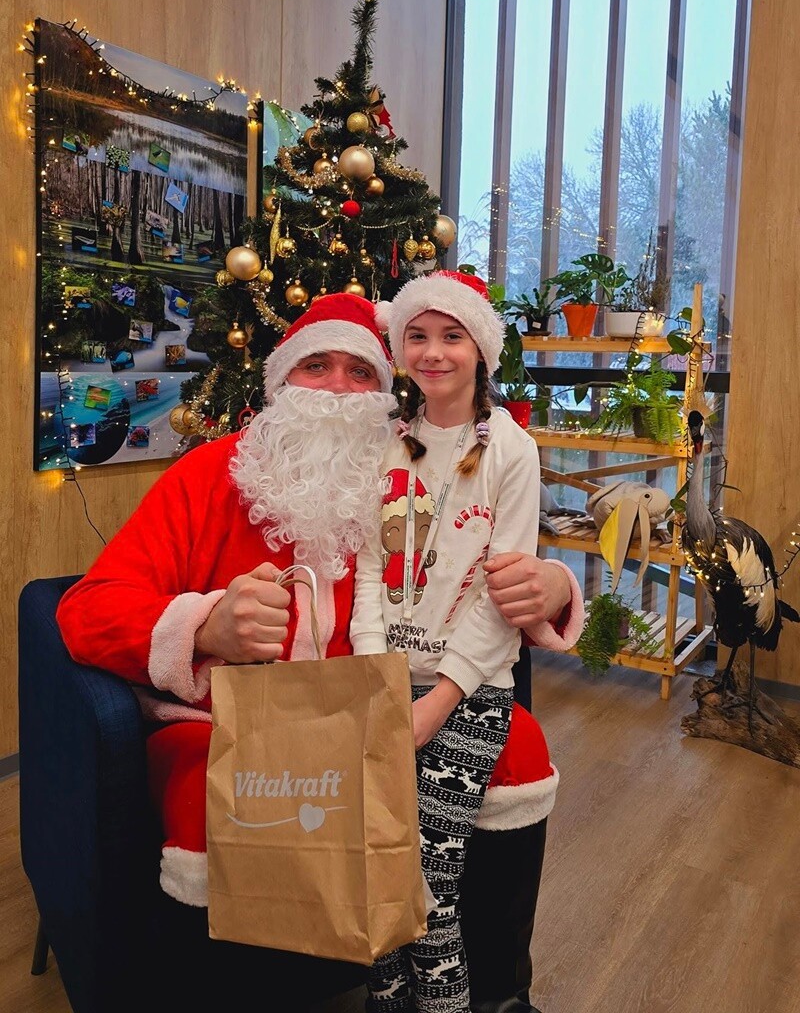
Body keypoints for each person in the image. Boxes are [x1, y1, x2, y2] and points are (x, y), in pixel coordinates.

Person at [56, 292, 583, 1011]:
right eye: (316, 366)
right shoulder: (207, 475)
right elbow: (86, 609)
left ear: (386, 389)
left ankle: (498, 996)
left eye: (360, 372)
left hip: (382, 707)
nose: (338, 388)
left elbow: (474, 567)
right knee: (209, 791)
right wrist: (205, 628)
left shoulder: (408, 469)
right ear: (280, 381)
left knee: (515, 741)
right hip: (225, 723)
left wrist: (551, 585)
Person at [349, 271, 545, 1013]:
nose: (433, 353)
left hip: (470, 690)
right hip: (383, 681)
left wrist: (436, 703)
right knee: (374, 869)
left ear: (481, 350)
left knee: (429, 886)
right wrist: (376, 676)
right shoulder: (387, 444)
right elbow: (371, 570)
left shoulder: (511, 451)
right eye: (418, 337)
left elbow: (503, 596)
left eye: (451, 336)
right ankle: (388, 1000)